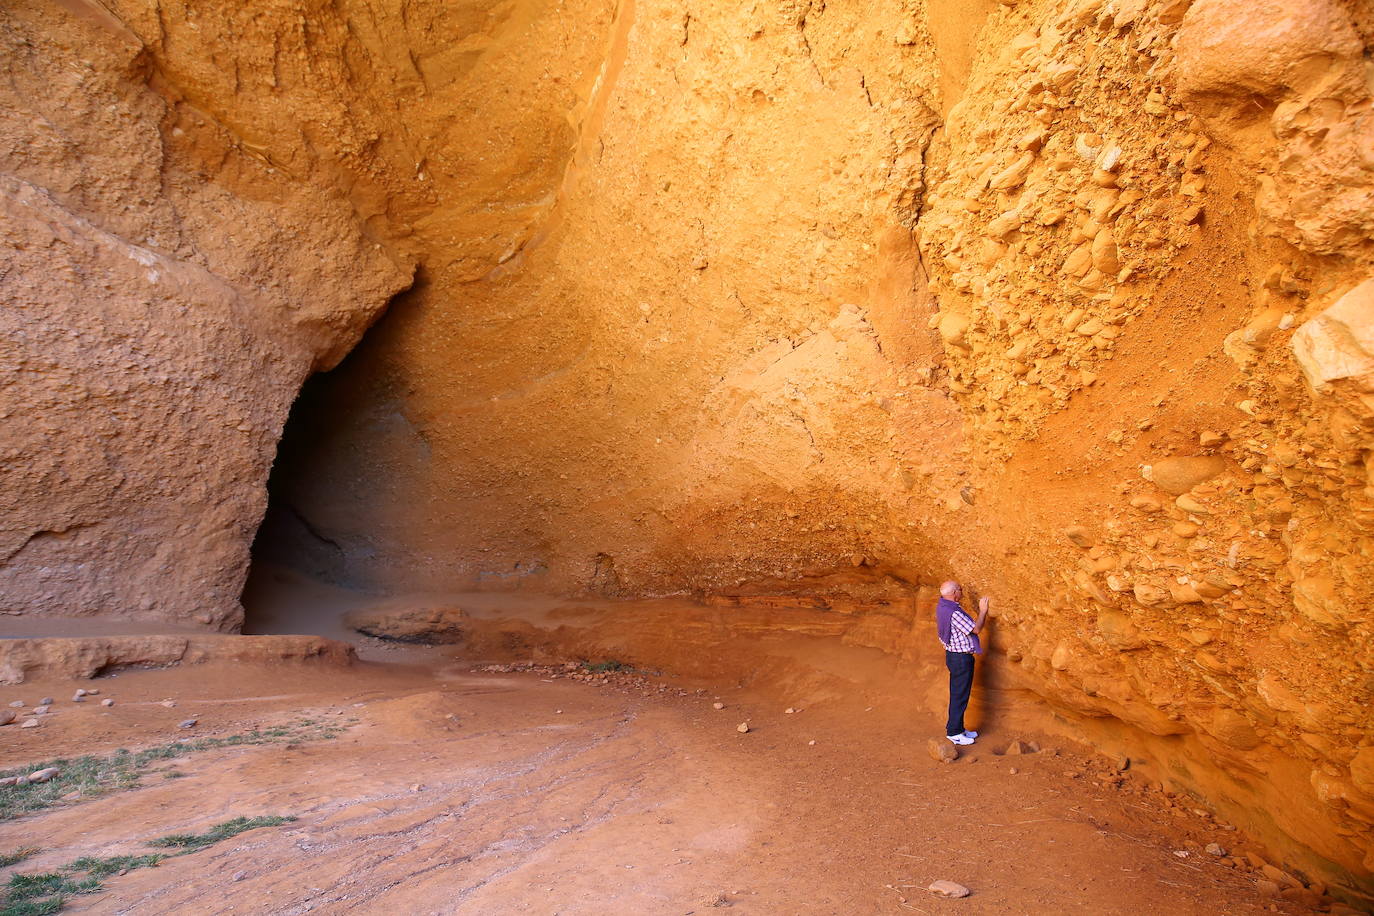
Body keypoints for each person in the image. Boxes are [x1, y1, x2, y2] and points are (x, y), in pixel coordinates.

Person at [935, 580, 989, 745]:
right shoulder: (954, 613)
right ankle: (954, 732)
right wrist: (983, 611)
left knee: (959, 694)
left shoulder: (942, 606)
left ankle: (959, 728)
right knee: (959, 695)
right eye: (960, 589)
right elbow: (976, 629)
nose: (962, 592)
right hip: (960, 658)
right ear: (954, 593)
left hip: (953, 656)